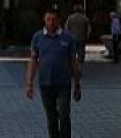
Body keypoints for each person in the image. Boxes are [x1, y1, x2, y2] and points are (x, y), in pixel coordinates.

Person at [25, 10, 82, 138]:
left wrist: (77, 84)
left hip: (63, 83)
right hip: (45, 83)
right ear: (44, 20)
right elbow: (33, 61)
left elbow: (73, 62)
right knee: (51, 117)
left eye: (54, 20)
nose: (51, 23)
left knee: (64, 114)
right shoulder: (38, 37)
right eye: (48, 19)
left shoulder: (68, 38)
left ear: (59, 20)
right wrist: (29, 83)